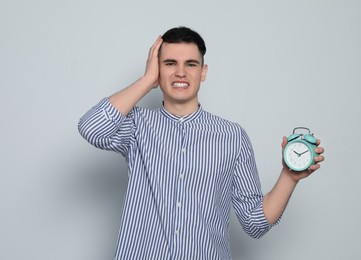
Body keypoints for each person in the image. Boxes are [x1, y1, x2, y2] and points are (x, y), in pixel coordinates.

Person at [78, 26, 325, 260]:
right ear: (157, 69)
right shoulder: (136, 125)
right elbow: (91, 127)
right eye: (170, 64)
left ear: (203, 72)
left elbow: (254, 223)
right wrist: (146, 81)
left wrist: (289, 176)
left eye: (191, 64)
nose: (181, 73)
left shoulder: (232, 136)